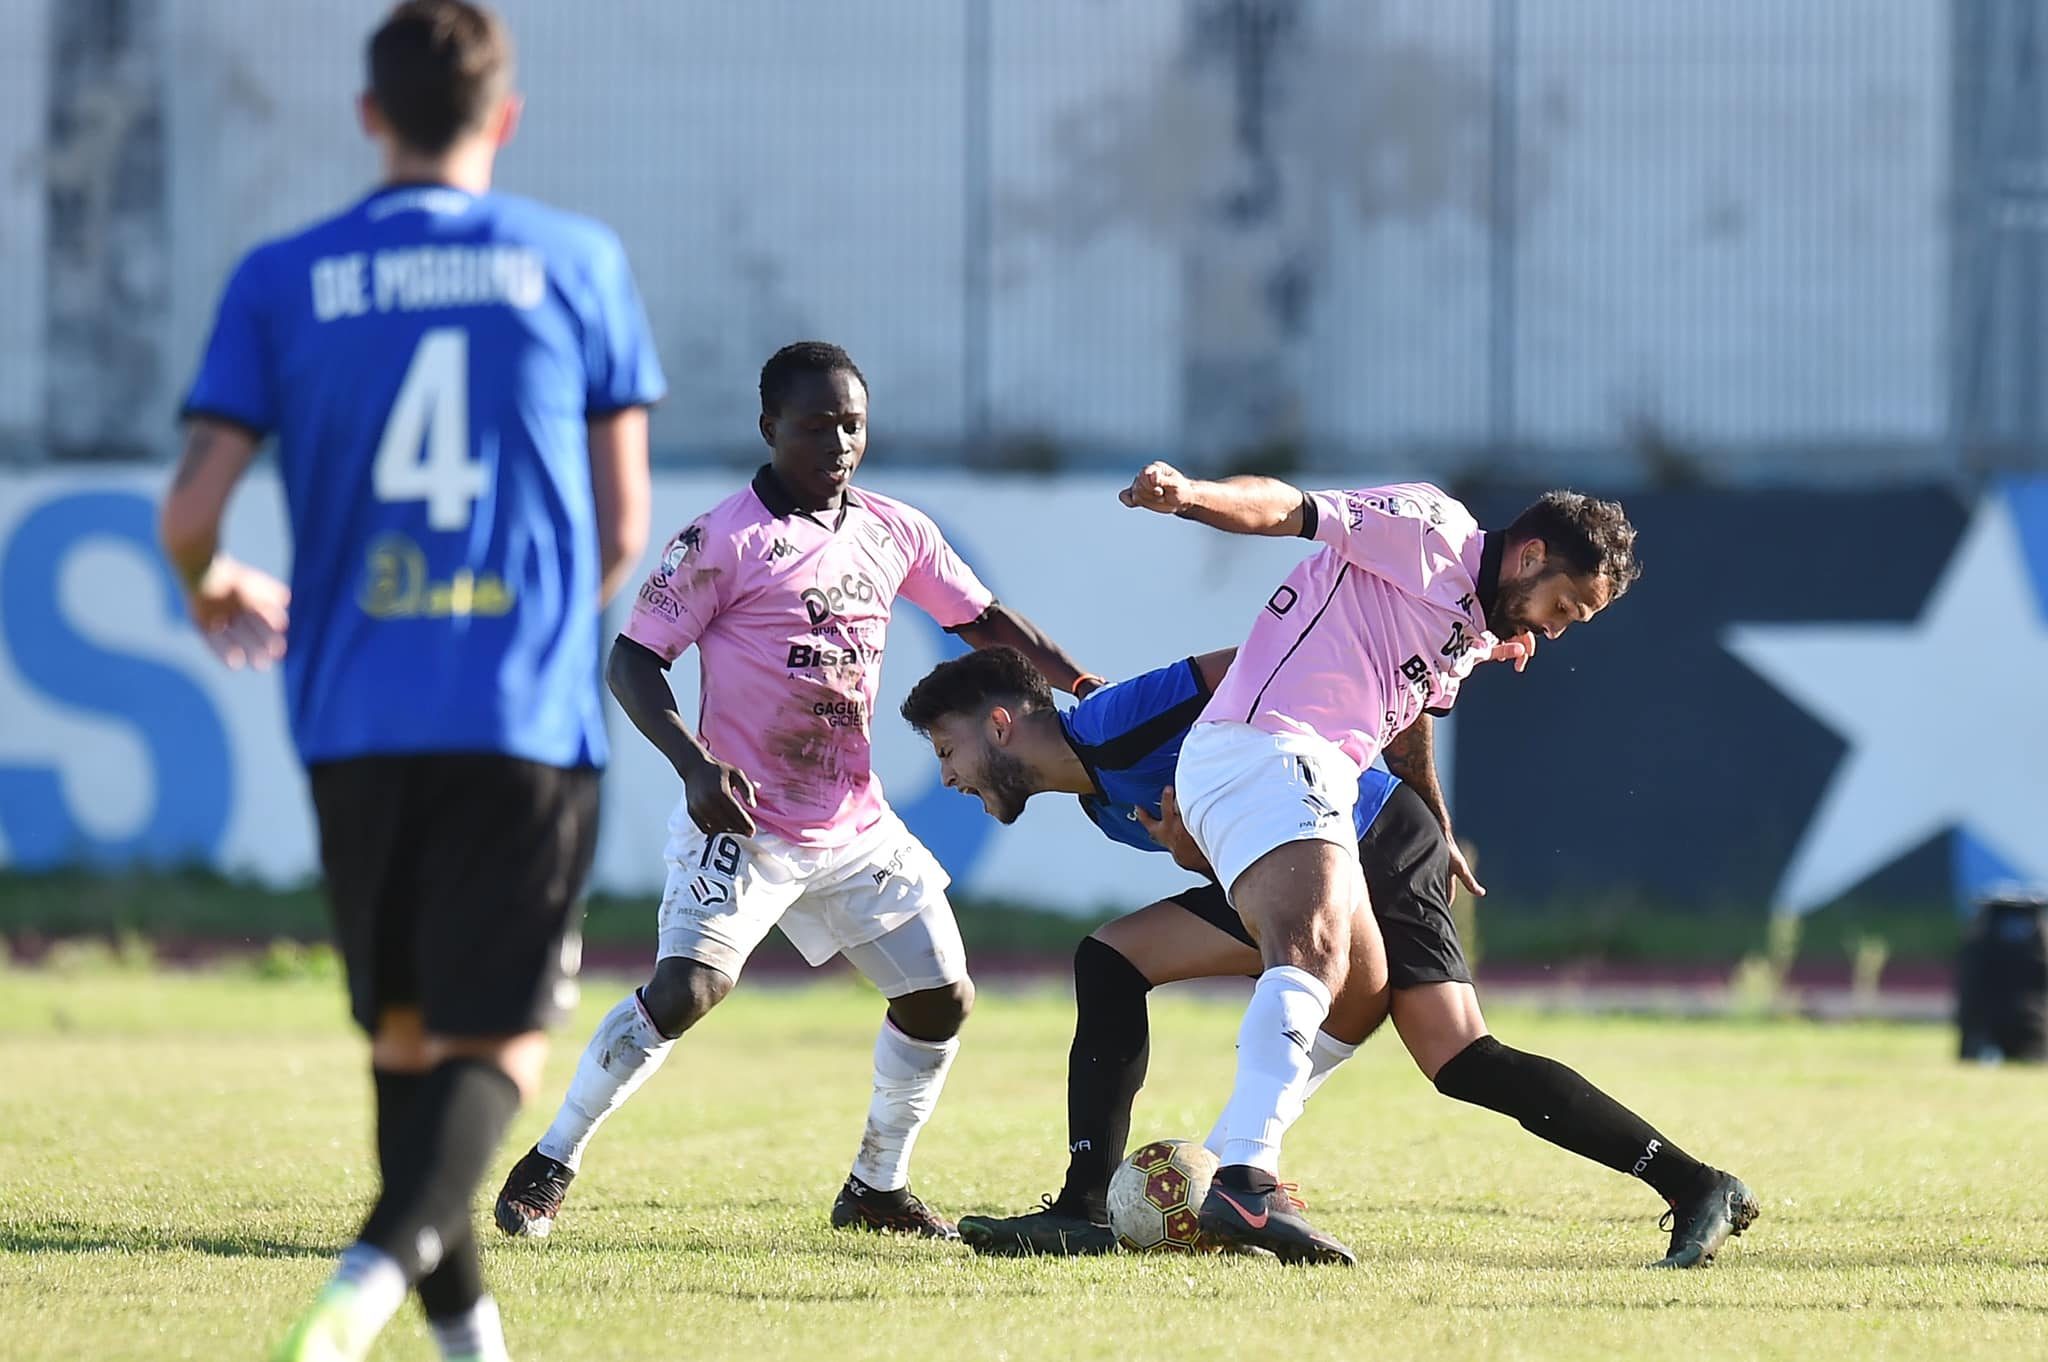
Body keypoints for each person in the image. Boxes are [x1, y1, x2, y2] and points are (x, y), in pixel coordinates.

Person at [158, 4, 665, 1358]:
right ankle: (363, 1287)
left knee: (402, 1041)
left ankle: (465, 1342)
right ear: (504, 119)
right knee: (496, 1051)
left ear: (369, 116)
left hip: (353, 717)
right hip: (515, 716)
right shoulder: (576, 261)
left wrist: (210, 580)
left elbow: (191, 504)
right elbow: (624, 521)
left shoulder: (283, 275)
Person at [494, 341, 1099, 1243]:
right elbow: (630, 661)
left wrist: (1088, 690)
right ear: (770, 427)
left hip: (853, 822)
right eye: (816, 425)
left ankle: (875, 1189)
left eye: (853, 423)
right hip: (743, 817)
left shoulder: (897, 530)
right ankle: (550, 1160)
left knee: (941, 997)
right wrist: (693, 763)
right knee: (687, 991)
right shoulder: (719, 540)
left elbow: (988, 626)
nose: (840, 442)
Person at [899, 646, 1760, 1268]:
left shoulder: (1123, 716)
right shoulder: (1098, 803)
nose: (948, 776)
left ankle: (1693, 1184)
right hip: (1299, 870)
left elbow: (1301, 671)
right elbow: (1239, 852)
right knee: (1110, 959)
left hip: (1373, 834)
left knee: (1459, 1058)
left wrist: (1428, 807)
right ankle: (1088, 1207)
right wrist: (1195, 855)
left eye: (948, 750)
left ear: (1002, 724)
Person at [1116, 466, 1634, 1264]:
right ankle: (1248, 1184)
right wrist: (1191, 496)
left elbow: (1411, 716)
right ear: (1530, 555)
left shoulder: (1478, 623)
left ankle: (1223, 1165)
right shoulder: (1428, 527)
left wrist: (1436, 817)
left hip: (1308, 767)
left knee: (1361, 991)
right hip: (1268, 745)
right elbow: (1291, 509)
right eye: (1565, 606)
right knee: (1314, 951)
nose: (1561, 629)